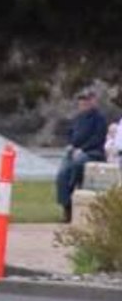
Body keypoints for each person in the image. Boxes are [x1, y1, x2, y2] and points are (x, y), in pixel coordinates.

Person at [55, 89, 109, 222]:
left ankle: (75, 186)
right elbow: (70, 134)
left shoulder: (99, 119)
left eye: (87, 100)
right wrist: (70, 145)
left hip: (93, 152)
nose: (83, 103)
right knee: (62, 174)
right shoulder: (77, 118)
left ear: (93, 101)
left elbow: (98, 138)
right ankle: (66, 206)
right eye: (81, 101)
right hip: (74, 151)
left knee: (78, 163)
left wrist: (83, 149)